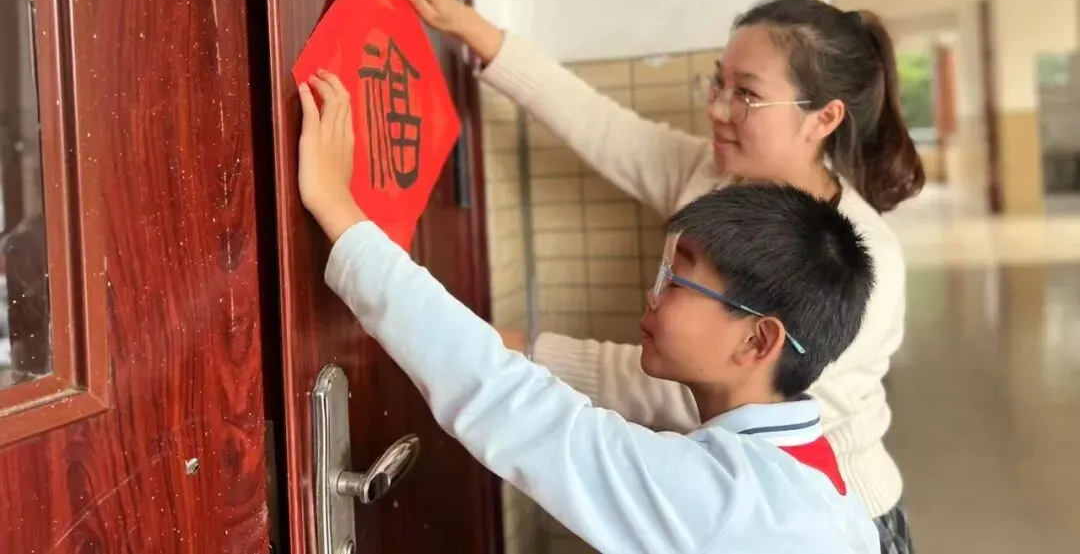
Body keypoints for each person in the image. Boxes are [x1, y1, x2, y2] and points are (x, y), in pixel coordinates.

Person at [384, 0, 924, 554]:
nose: (718, 110)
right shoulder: (713, 175)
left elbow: (672, 392)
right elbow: (595, 122)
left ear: (824, 117)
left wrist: (502, 345)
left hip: (838, 517)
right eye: (717, 84)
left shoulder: (864, 259)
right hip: (725, 485)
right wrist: (461, 21)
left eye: (746, 94)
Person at [296, 69, 879, 554]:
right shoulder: (810, 481)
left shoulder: (732, 502)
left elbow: (511, 405)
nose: (652, 295)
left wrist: (339, 211)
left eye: (675, 280)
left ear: (757, 341)